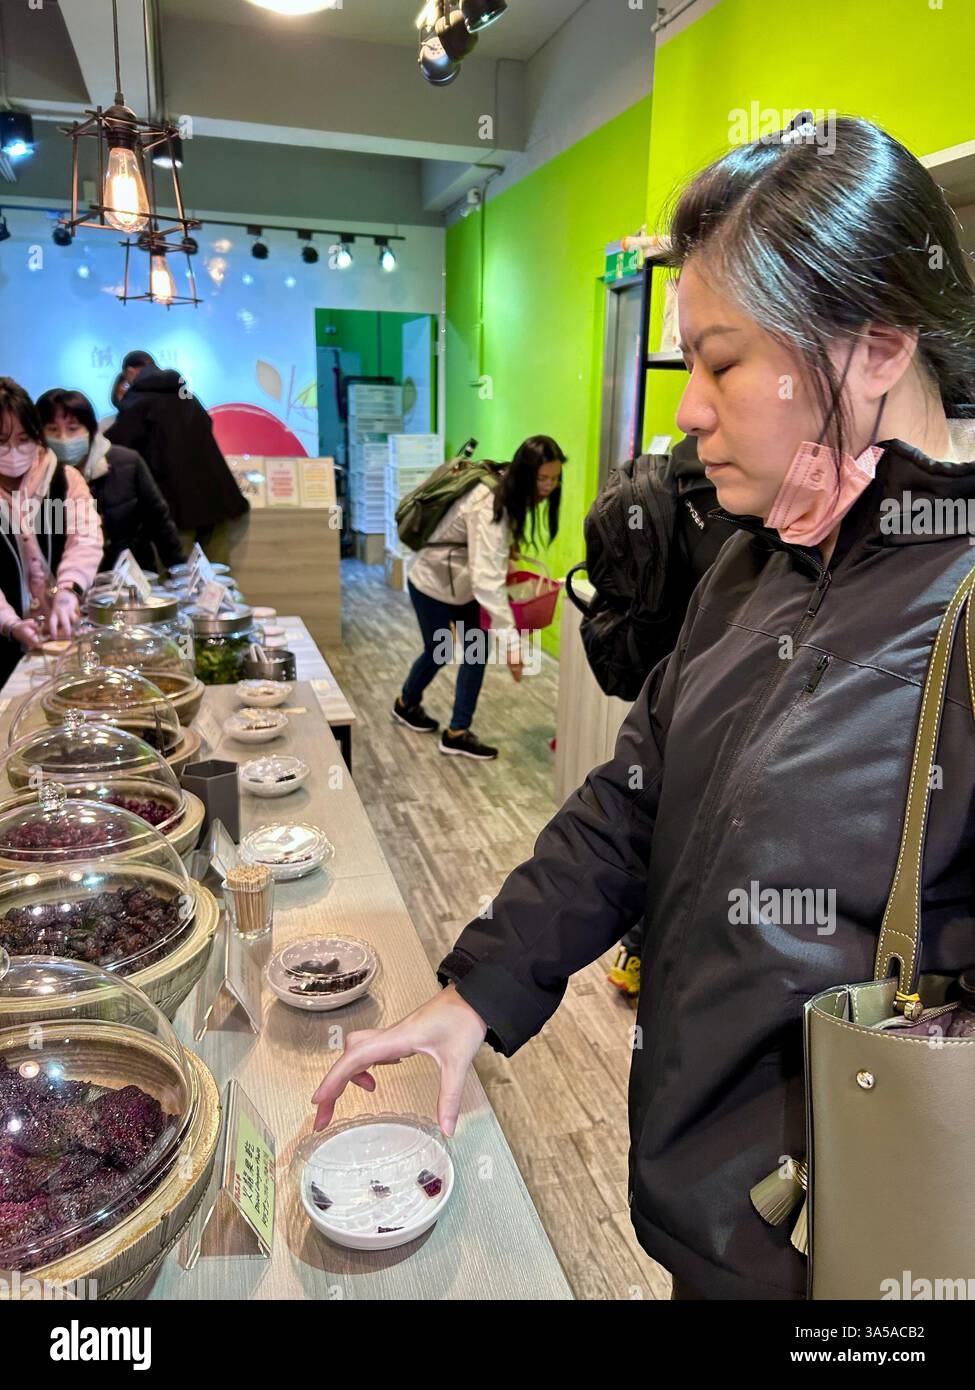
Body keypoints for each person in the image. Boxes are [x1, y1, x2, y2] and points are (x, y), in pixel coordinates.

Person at [312, 117, 975, 1300]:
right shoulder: (752, 560)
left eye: (724, 364)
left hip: (866, 1254)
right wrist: (477, 993)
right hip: (710, 1221)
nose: (690, 414)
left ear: (876, 345)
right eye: (686, 367)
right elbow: (631, 800)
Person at [393, 435, 564, 760]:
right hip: (433, 583)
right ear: (525, 473)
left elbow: (490, 556)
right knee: (439, 650)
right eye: (542, 478)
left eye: (554, 479)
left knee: (476, 651)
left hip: (462, 584)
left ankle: (457, 732)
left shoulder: (507, 483)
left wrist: (508, 552)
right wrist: (514, 647)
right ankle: (406, 703)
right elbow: (487, 581)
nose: (548, 486)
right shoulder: (489, 504)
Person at [0, 378, 103, 684]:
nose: (14, 451)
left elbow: (84, 537)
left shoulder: (62, 479)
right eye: (2, 441)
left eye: (23, 439)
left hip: (63, 634)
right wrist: (10, 622)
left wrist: (69, 591)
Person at [106, 350, 248, 565]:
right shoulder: (185, 394)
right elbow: (206, 423)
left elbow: (117, 445)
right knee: (217, 580)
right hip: (217, 499)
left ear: (131, 371)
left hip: (176, 507)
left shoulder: (139, 400)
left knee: (177, 578)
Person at [36, 388, 185, 574]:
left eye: (73, 428)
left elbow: (159, 521)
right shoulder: (38, 480)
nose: (63, 438)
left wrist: (180, 573)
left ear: (90, 430)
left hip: (131, 582)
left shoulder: (127, 462)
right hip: (69, 587)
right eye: (52, 429)